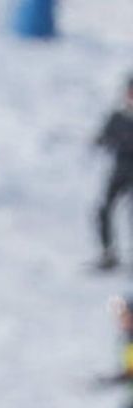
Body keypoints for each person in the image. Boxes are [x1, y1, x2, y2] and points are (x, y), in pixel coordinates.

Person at [92, 75, 133, 271]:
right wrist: (101, 140)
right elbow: (104, 137)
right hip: (120, 171)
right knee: (104, 209)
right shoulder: (118, 117)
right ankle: (108, 253)